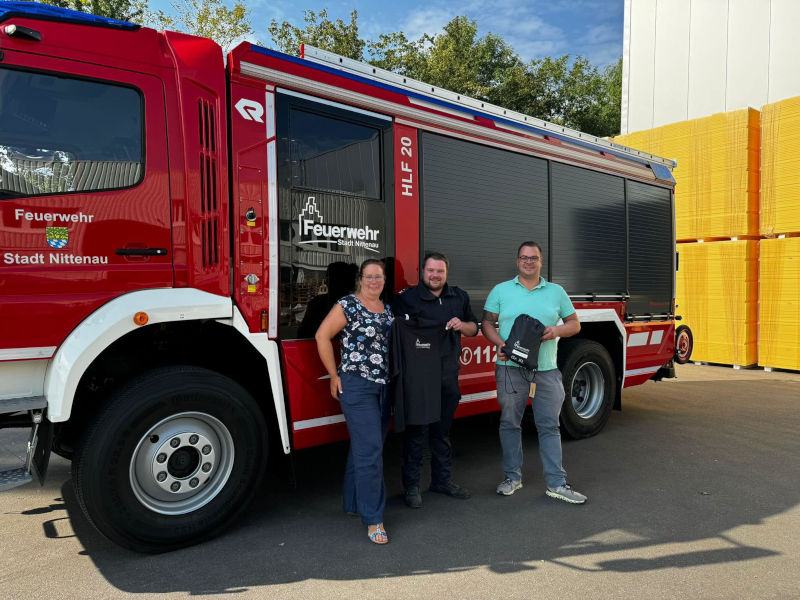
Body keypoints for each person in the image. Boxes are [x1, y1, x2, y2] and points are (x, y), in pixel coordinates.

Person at [481, 241, 587, 504]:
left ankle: (556, 483)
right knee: (509, 424)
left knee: (549, 426)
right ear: (517, 261)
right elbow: (486, 322)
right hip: (510, 369)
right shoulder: (501, 291)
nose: (528, 262)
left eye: (534, 258)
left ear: (541, 261)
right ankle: (512, 478)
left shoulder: (556, 291)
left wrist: (557, 331)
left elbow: (575, 324)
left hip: (546, 371)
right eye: (524, 258)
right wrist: (500, 344)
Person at [391, 252, 479, 508]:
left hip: (448, 374)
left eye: (440, 271)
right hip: (418, 379)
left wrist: (461, 324)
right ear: (422, 271)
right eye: (430, 270)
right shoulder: (406, 299)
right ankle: (411, 487)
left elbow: (474, 327)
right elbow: (394, 332)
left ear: (446, 273)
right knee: (416, 433)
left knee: (442, 433)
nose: (435, 275)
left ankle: (442, 481)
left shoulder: (458, 296)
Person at [315, 259, 393, 544]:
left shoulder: (387, 310)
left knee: (364, 448)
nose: (374, 281)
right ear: (360, 279)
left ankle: (353, 503)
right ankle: (374, 519)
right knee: (370, 451)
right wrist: (333, 375)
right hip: (356, 386)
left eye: (379, 277)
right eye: (369, 277)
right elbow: (322, 335)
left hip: (383, 388)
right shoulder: (348, 304)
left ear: (384, 281)